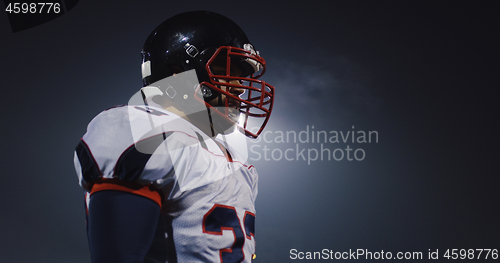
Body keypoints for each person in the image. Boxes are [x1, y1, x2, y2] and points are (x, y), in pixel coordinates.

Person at [73, 11, 275, 263]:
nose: (238, 86)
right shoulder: (144, 129)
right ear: (179, 73)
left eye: (242, 76)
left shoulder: (234, 161)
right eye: (225, 70)